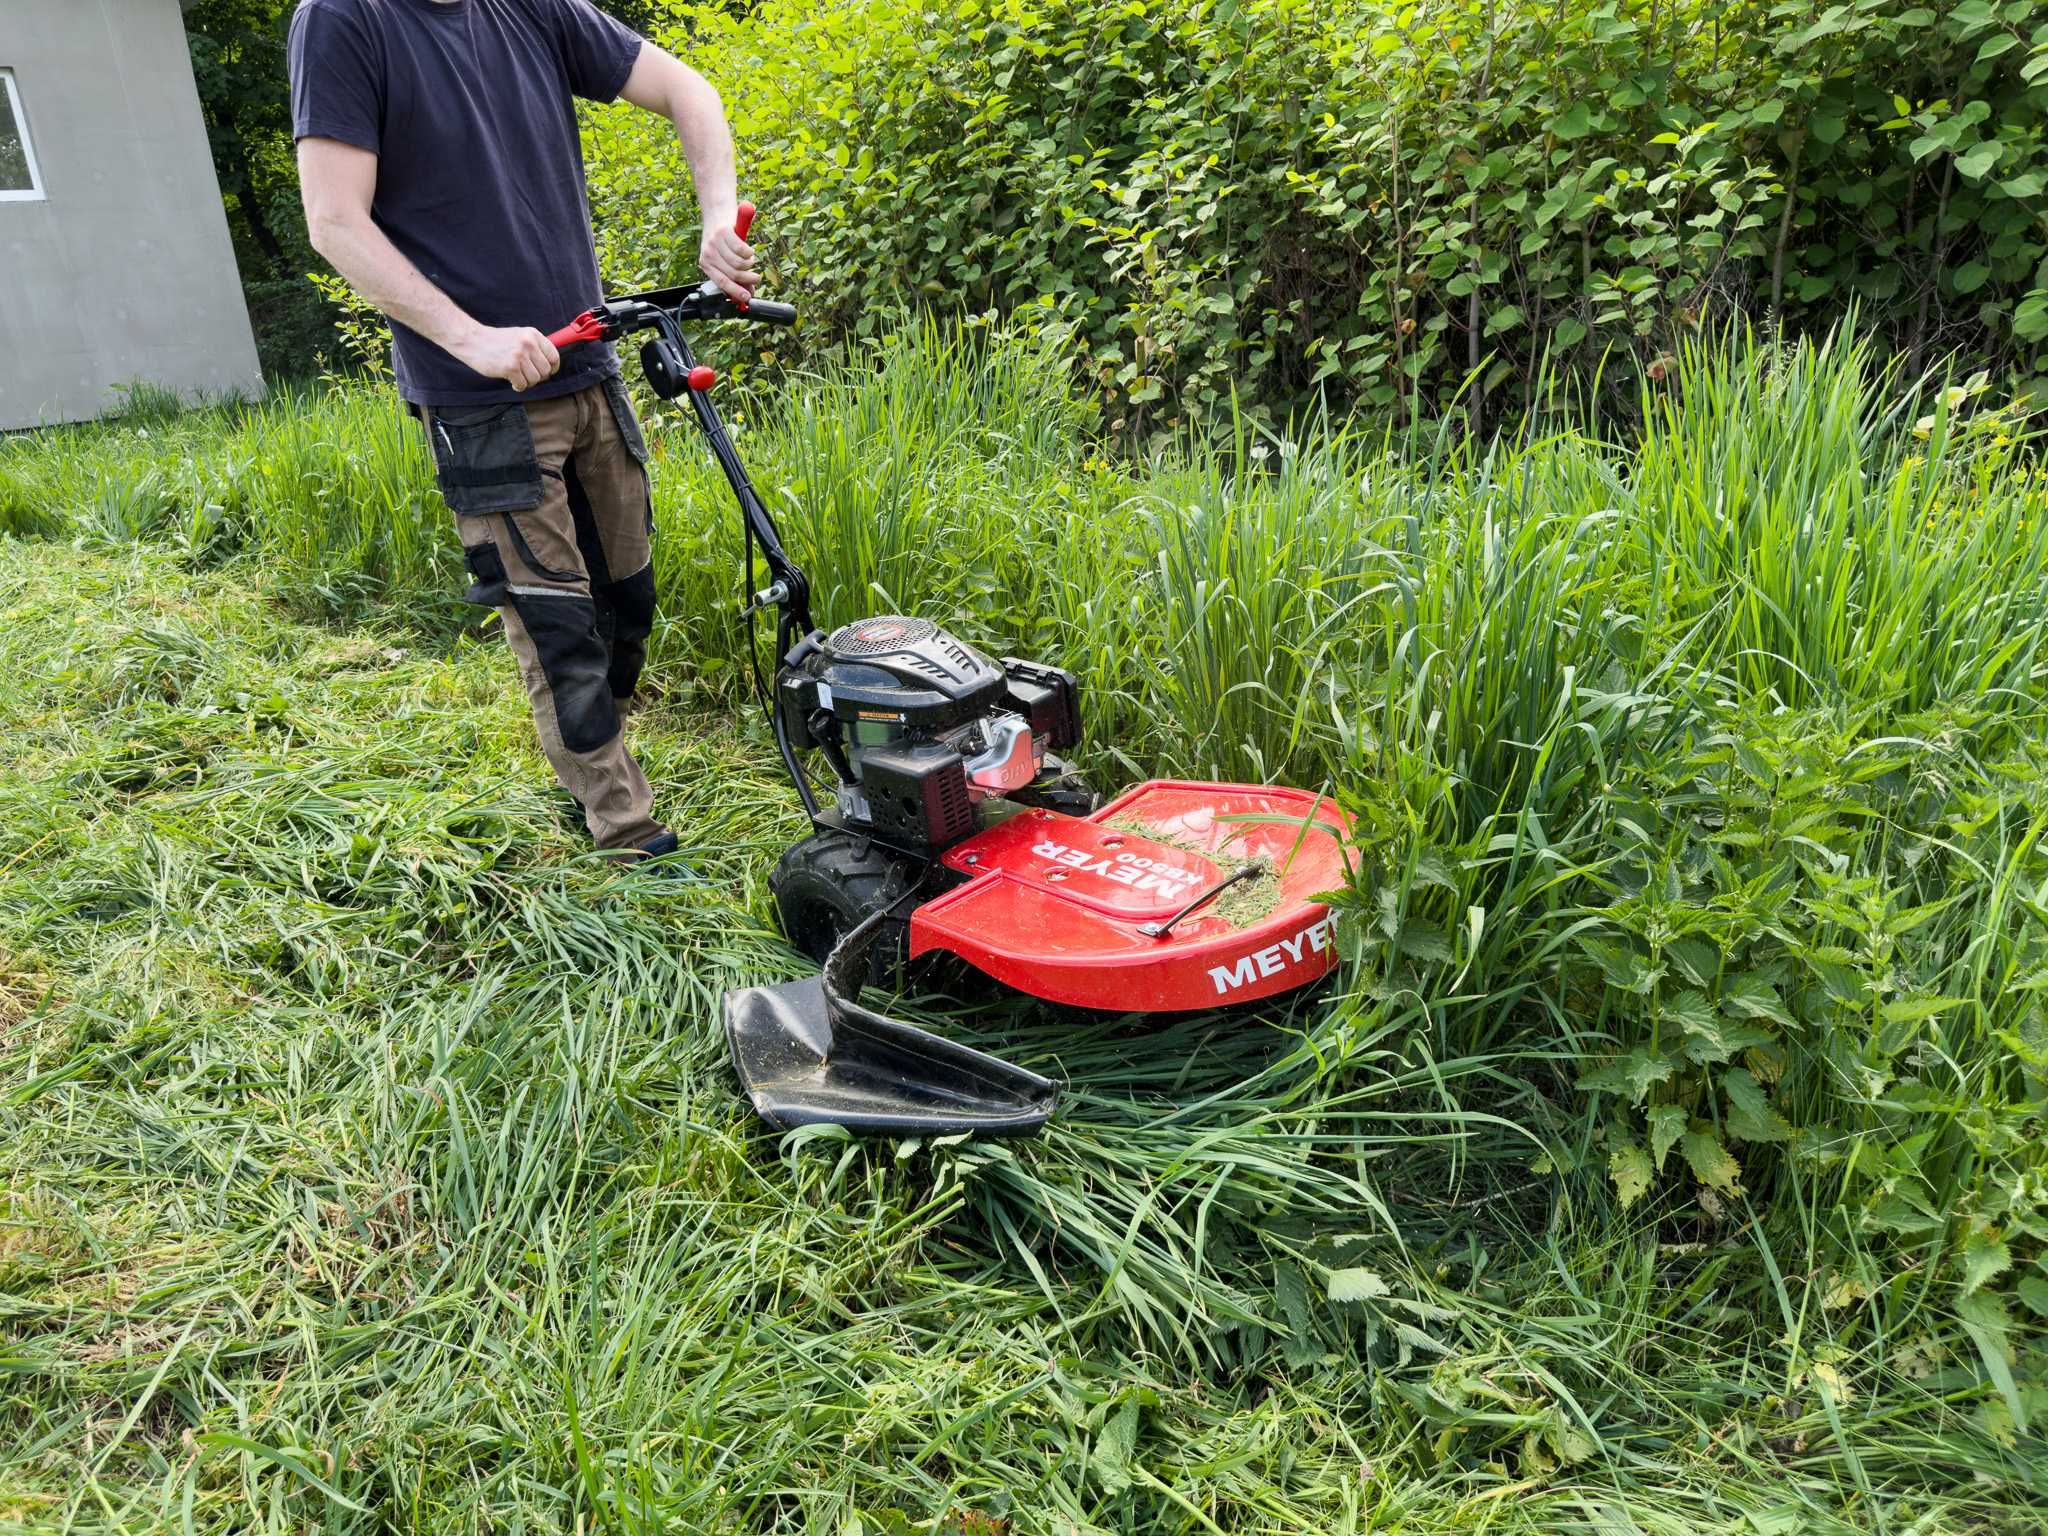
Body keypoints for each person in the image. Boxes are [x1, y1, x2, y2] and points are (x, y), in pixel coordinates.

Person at [288, 0, 755, 861]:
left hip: (588, 365)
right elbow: (334, 220)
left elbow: (690, 90)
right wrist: (473, 339)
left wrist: (717, 216)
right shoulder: (343, 21)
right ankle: (623, 828)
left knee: (627, 599)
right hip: (480, 402)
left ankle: (583, 756)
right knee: (557, 625)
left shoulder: (531, 8)